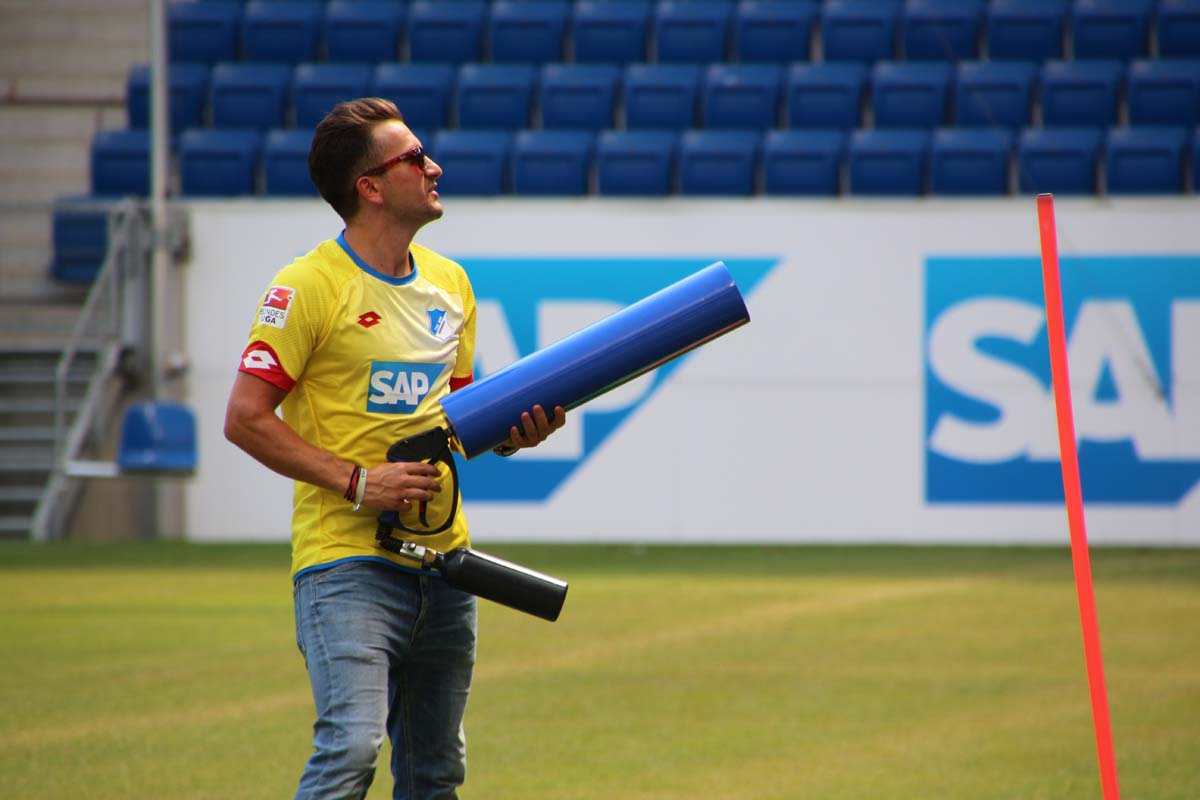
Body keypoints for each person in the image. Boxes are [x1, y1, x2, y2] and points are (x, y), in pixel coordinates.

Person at [223, 97, 565, 800]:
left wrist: (515, 435)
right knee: (352, 747)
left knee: (435, 775)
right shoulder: (307, 286)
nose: (434, 167)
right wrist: (358, 483)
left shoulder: (451, 284)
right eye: (414, 158)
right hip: (346, 565)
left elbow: (462, 425)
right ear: (370, 187)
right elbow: (245, 419)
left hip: (445, 567)